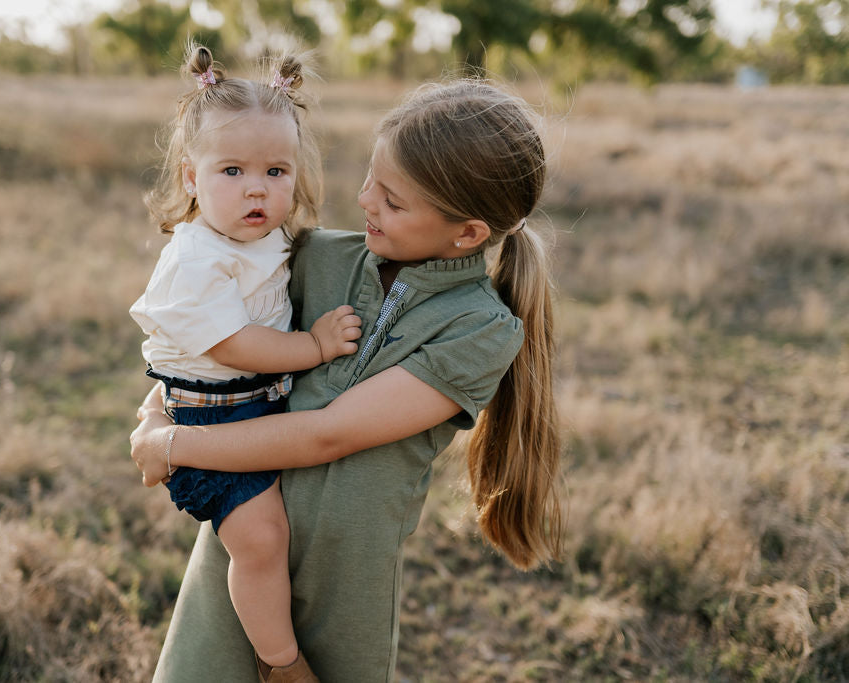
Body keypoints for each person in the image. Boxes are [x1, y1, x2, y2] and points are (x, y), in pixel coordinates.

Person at [131, 78, 563, 682]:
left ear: (467, 233)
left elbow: (328, 435)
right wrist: (158, 410)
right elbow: (208, 340)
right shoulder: (319, 258)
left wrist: (170, 446)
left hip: (347, 574)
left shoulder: (479, 330)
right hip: (247, 536)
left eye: (391, 200)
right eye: (369, 180)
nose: (364, 202)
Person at [128, 43, 361, 682]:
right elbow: (233, 345)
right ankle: (279, 663)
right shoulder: (196, 258)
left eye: (276, 172)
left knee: (292, 528)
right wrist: (312, 348)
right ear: (190, 178)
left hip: (258, 402)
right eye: (231, 170)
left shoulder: (270, 233)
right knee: (261, 541)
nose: (256, 187)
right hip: (210, 419)